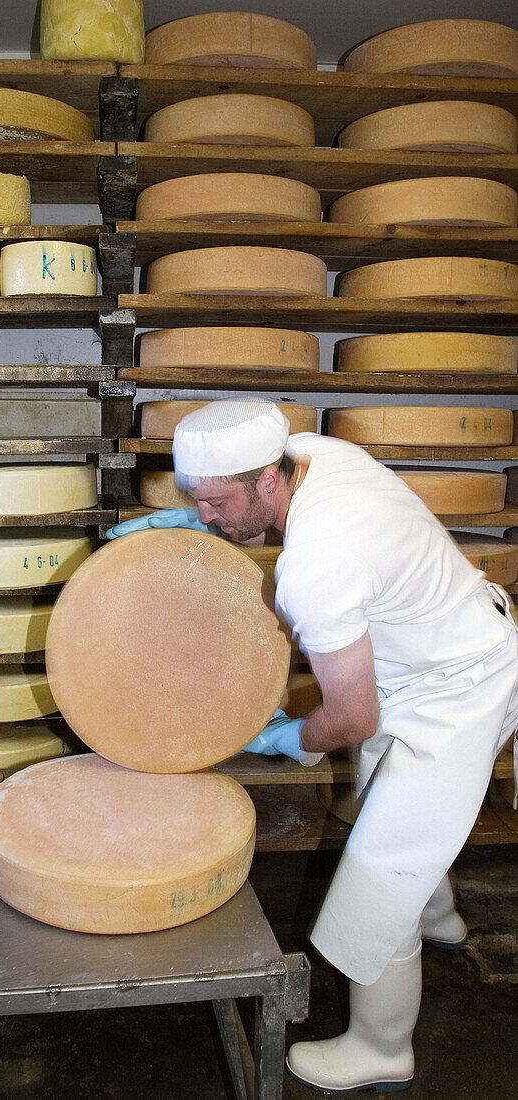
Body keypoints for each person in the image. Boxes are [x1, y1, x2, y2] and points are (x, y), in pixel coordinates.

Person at [107, 399, 518, 1095]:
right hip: (429, 647)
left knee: (378, 870)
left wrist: (287, 738)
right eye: (194, 502)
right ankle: (441, 914)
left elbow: (351, 717)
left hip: (458, 686)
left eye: (214, 503)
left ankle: (380, 1047)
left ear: (268, 481)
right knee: (389, 798)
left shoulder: (317, 565)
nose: (206, 515)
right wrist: (197, 522)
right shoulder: (312, 452)